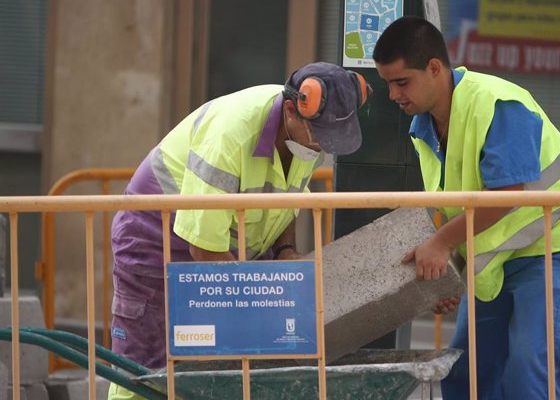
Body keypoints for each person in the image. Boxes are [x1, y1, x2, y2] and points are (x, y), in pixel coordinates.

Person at [373, 16, 560, 400]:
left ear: (435, 68)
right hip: (499, 257)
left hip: (557, 246)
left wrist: (441, 245)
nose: (393, 95)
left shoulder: (497, 103)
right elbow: (458, 207)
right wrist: (451, 274)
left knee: (526, 369)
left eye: (402, 82)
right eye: (388, 83)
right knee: (467, 373)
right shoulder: (423, 127)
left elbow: (506, 195)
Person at [107, 62, 371, 400]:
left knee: (216, 367)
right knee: (145, 372)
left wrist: (284, 251)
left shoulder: (306, 135)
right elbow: (203, 246)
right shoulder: (230, 136)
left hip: (227, 250)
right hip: (155, 244)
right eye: (320, 136)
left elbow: (283, 198)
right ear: (291, 110)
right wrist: (251, 299)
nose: (323, 147)